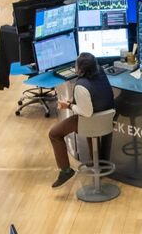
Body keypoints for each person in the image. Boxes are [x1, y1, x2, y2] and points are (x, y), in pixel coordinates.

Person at [49, 52, 116, 188]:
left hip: (91, 121)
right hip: (106, 119)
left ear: (80, 69)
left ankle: (65, 171)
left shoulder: (81, 86)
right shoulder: (101, 71)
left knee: (54, 134)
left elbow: (86, 112)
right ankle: (97, 166)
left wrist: (68, 105)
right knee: (91, 131)